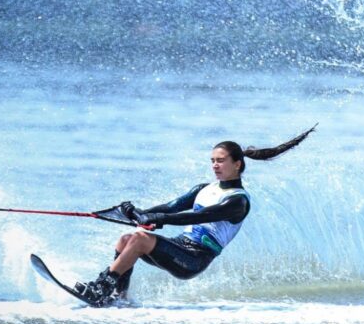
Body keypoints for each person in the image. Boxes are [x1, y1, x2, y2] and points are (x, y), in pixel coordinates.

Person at [75, 126, 316, 305]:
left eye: (221, 161)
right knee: (127, 239)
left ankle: (100, 288)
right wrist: (135, 212)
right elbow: (171, 207)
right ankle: (119, 297)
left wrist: (158, 219)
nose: (215, 165)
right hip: (179, 246)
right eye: (212, 161)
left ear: (238, 165)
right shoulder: (203, 188)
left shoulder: (238, 201)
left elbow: (196, 217)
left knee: (139, 239)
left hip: (194, 258)